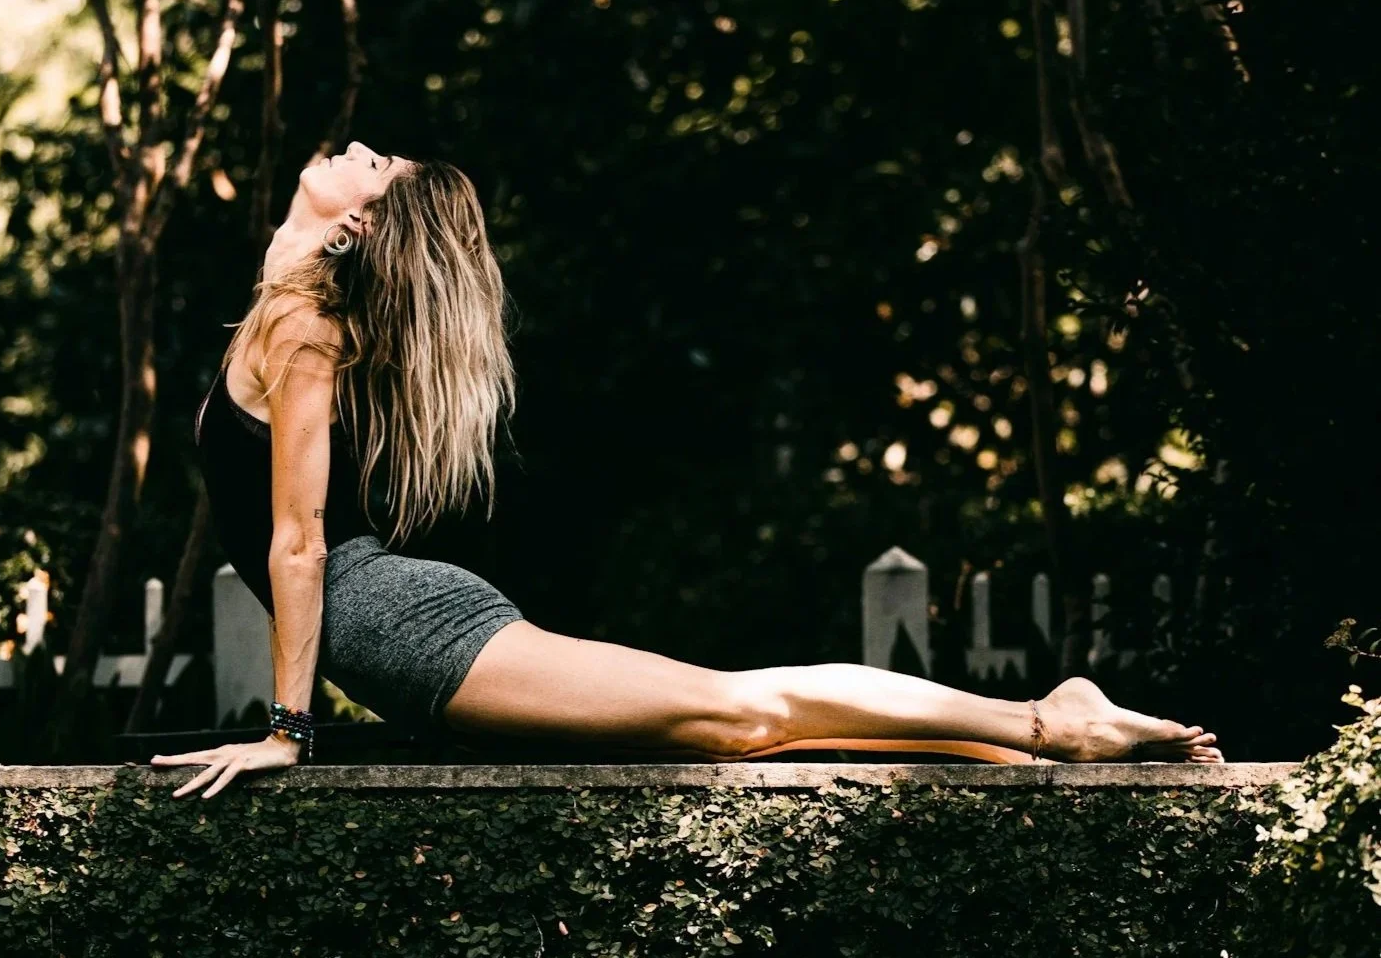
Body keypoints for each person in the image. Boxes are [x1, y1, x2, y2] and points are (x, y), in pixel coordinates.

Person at [152, 143, 1223, 800]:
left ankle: (1047, 718)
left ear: (359, 222)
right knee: (733, 730)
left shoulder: (300, 324)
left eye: (376, 167)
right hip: (384, 625)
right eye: (377, 161)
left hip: (394, 620)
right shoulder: (291, 305)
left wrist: (286, 735)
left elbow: (298, 540)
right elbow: (286, 525)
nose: (363, 149)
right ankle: (1019, 737)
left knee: (730, 713)